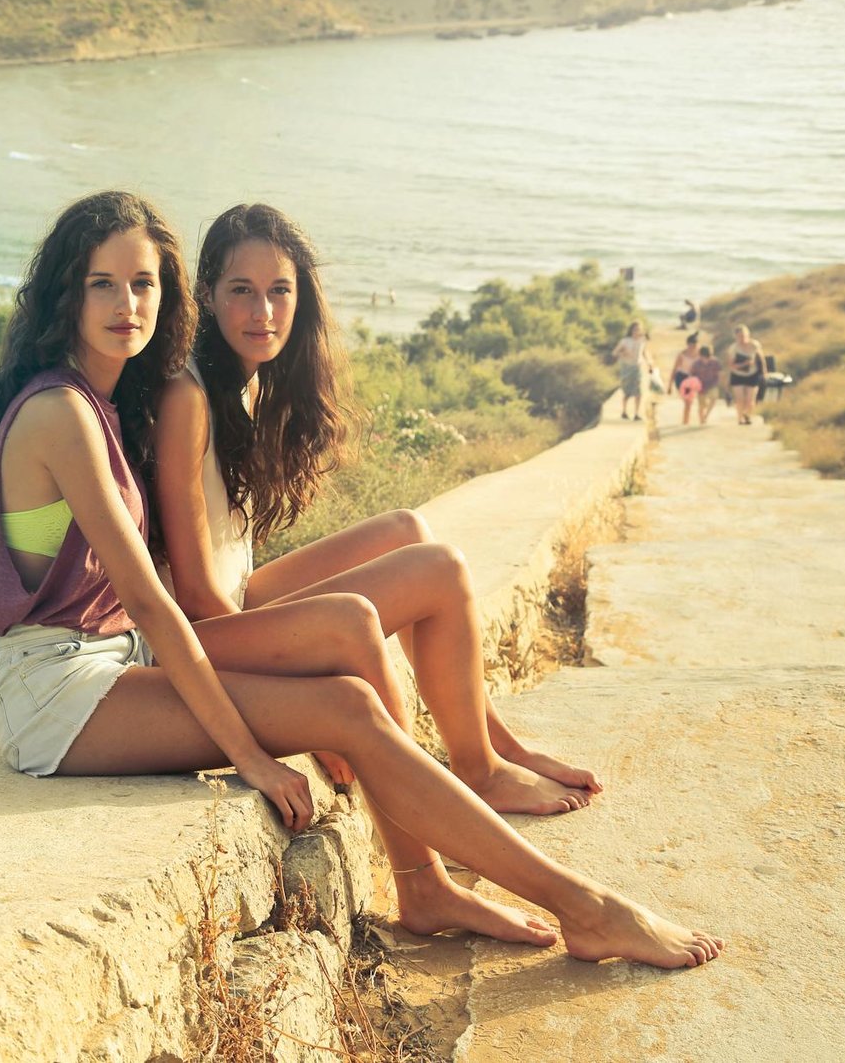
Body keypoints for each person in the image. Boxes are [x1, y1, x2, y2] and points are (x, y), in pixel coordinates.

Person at [0, 189, 722, 967]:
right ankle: (581, 906)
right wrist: (250, 757)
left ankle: (438, 879)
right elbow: (155, 603)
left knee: (351, 700)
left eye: (144, 283)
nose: (128, 303)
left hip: (107, 664)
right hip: (55, 695)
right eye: (103, 283)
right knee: (348, 680)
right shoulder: (63, 413)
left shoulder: (103, 402)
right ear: (67, 291)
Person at [152, 202, 597, 824]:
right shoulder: (187, 396)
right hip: (194, 637)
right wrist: (311, 704)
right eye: (242, 292)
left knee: (406, 531)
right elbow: (195, 595)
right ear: (207, 295)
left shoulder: (246, 381)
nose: (263, 313)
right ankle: (478, 774)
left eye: (280, 291)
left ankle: (493, 743)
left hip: (235, 604)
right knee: (436, 569)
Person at [610, 321, 651, 421]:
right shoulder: (625, 341)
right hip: (627, 367)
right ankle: (624, 411)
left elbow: (644, 352)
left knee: (639, 391)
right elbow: (614, 353)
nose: (637, 331)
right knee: (627, 391)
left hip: (637, 367)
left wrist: (650, 363)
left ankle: (636, 413)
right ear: (631, 330)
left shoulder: (642, 341)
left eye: (639, 329)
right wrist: (623, 353)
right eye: (636, 329)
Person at [727, 325, 766, 426]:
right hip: (737, 375)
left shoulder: (755, 345)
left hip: (753, 374)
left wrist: (764, 373)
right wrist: (744, 364)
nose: (742, 338)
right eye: (739, 336)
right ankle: (740, 418)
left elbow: (761, 358)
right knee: (740, 399)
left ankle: (747, 415)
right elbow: (731, 365)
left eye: (744, 335)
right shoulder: (733, 348)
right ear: (736, 337)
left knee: (750, 399)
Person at [690, 343, 722, 425]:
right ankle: (701, 420)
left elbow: (719, 373)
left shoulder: (715, 362)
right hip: (701, 386)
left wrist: (719, 382)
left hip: (712, 384)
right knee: (702, 404)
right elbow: (692, 374)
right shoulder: (696, 363)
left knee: (714, 399)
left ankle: (706, 416)